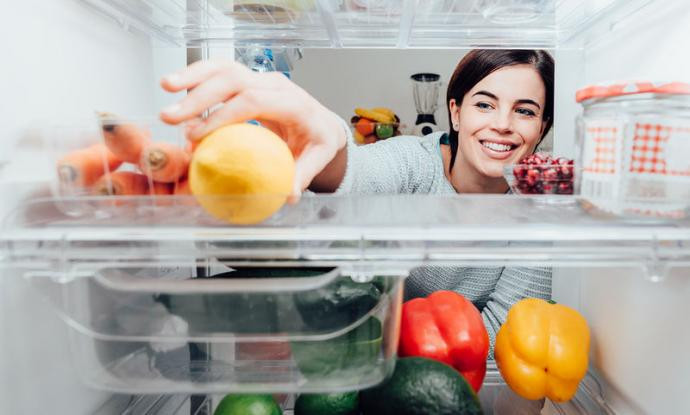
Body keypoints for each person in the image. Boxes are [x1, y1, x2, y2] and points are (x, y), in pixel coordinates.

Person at [159, 49, 554, 356]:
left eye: (524, 111)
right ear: (455, 112)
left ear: (542, 129)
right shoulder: (415, 161)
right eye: (484, 104)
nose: (502, 123)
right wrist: (327, 139)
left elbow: (511, 333)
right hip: (363, 354)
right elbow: (358, 175)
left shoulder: (538, 210)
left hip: (453, 372)